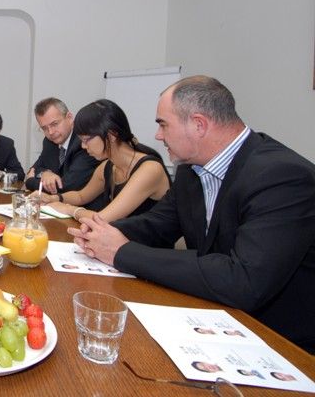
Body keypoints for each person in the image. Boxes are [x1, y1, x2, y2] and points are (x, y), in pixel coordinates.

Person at [69, 76, 315, 353]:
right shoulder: (190, 169)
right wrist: (102, 233)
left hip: (282, 343)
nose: (158, 136)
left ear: (199, 124)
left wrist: (120, 252)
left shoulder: (282, 176)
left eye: (163, 124)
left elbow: (244, 279)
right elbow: (158, 224)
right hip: (213, 315)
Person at [36, 100, 170, 222]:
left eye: (86, 140)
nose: (83, 146)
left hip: (145, 241)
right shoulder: (108, 166)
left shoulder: (149, 169)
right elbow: (81, 196)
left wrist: (69, 209)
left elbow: (103, 219)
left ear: (111, 135)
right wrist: (53, 198)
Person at [23, 98, 101, 204]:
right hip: (58, 207)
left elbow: (66, 186)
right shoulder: (49, 142)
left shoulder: (84, 143)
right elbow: (35, 168)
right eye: (44, 128)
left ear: (69, 118)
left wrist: (30, 182)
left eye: (54, 124)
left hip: (86, 207)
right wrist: (45, 173)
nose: (50, 132)